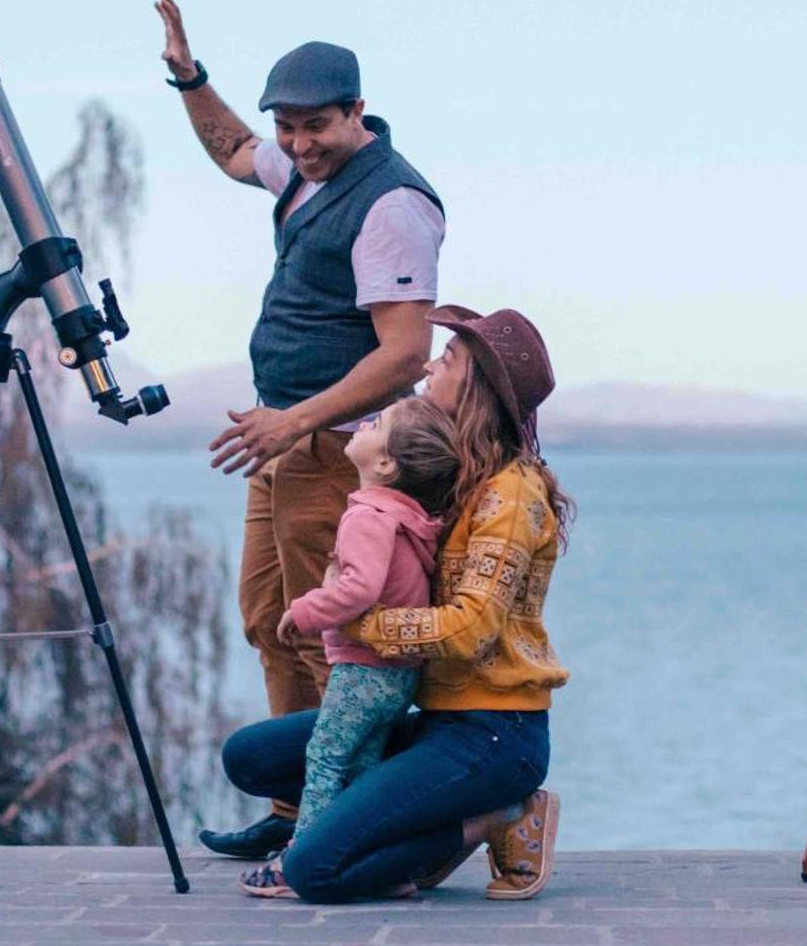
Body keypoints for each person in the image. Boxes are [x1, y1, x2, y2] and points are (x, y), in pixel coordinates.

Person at [154, 0, 448, 860]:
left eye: (316, 125)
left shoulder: (393, 204)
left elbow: (404, 353)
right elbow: (234, 150)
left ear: (359, 111)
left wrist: (297, 424)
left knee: (338, 648)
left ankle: (345, 820)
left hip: (337, 454)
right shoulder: (304, 173)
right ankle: (294, 808)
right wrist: (188, 76)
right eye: (289, 126)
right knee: (269, 617)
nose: (298, 143)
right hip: (282, 442)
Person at [220, 307, 573, 902]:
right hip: (433, 716)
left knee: (314, 871)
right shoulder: (449, 470)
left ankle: (496, 817)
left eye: (450, 359)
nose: (431, 364)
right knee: (251, 758)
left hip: (493, 732)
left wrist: (355, 618)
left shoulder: (510, 494)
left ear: (477, 388)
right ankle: (404, 820)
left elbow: (470, 631)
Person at [238, 396, 459, 899]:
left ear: (385, 463)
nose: (362, 423)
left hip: (363, 670)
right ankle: (380, 865)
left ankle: (298, 859)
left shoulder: (368, 516)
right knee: (362, 765)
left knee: (324, 755)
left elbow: (359, 588)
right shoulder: (408, 517)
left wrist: (305, 611)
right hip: (398, 674)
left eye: (376, 422)